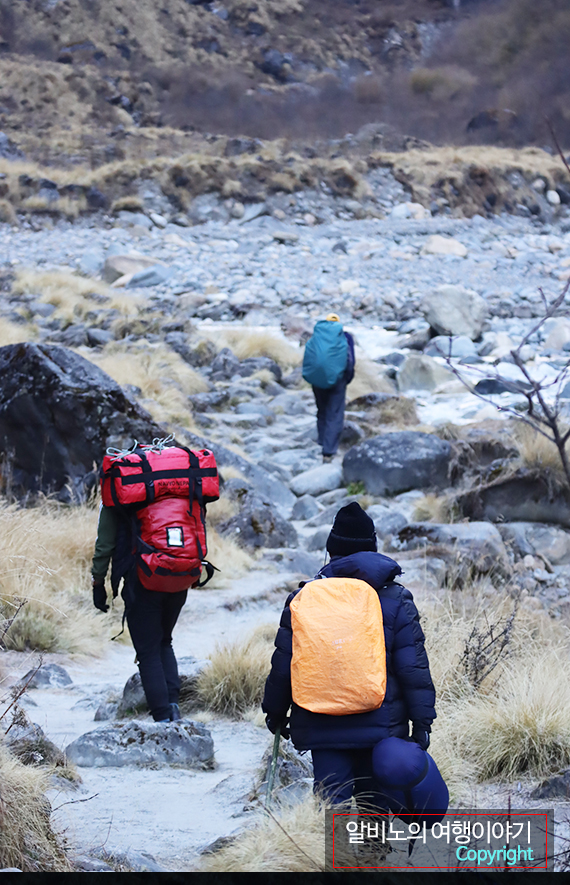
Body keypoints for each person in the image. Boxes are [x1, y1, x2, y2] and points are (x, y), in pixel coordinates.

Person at [262, 501, 437, 810]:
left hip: (321, 726)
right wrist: (422, 723)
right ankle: (373, 843)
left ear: (331, 551)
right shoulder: (396, 599)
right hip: (382, 728)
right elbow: (413, 669)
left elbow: (284, 665)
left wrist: (275, 712)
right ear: (372, 548)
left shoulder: (302, 599)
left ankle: (338, 844)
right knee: (375, 805)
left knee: (333, 806)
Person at [91, 504, 187, 723]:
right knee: (164, 641)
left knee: (148, 651)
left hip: (143, 579)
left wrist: (98, 581)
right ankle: (173, 711)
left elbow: (104, 544)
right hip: (179, 574)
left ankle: (163, 720)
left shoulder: (120, 493)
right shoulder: (174, 488)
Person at [307, 313, 355, 463]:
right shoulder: (345, 337)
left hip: (318, 379)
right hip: (338, 380)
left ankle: (321, 441)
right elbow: (350, 362)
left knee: (322, 410)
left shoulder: (316, 337)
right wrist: (346, 379)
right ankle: (328, 452)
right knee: (334, 414)